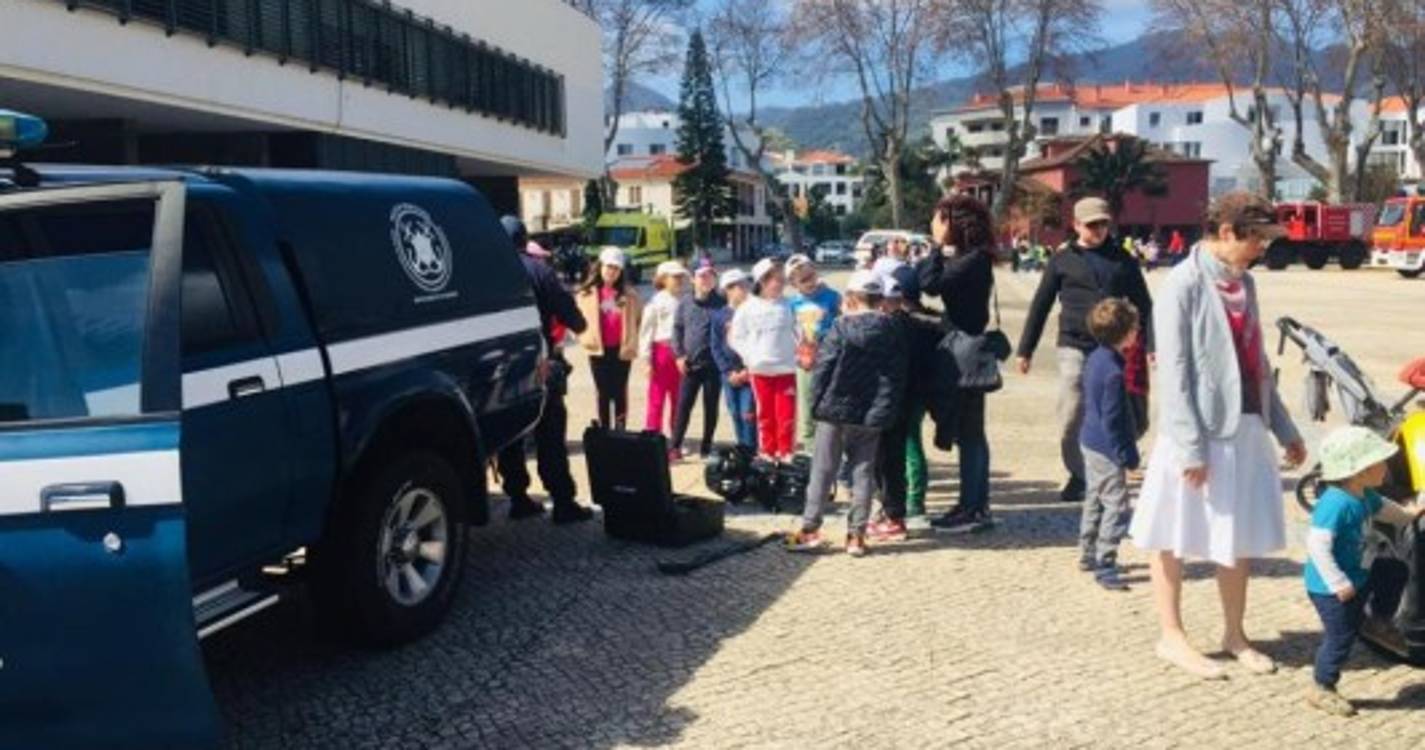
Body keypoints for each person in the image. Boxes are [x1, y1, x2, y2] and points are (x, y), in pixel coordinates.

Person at [1130, 191, 1307, 679]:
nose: (1261, 251)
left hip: (1245, 426)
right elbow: (1176, 371)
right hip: (1199, 431)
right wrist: (1189, 446)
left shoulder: (1245, 283)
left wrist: (1283, 426)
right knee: (1170, 532)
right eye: (1256, 240)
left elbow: (1257, 363)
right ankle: (1172, 635)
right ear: (1226, 232)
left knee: (1238, 533)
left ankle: (1235, 632)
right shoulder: (1181, 285)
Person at [1015, 197, 1155, 504]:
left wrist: (1152, 346)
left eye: (1103, 224)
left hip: (1118, 346)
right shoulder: (1062, 260)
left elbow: (1145, 306)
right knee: (1073, 410)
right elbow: (1041, 305)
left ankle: (1114, 464)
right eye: (1092, 225)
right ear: (1077, 225)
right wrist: (1025, 349)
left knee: (1127, 410)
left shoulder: (1123, 260)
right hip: (1074, 345)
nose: (1099, 230)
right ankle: (1079, 474)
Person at [786, 270, 908, 557]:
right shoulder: (893, 329)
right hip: (871, 413)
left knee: (823, 469)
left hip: (834, 409)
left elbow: (823, 369)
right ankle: (856, 536)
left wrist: (815, 405)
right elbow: (897, 376)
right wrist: (885, 410)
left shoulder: (840, 328)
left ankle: (810, 529)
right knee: (863, 472)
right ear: (880, 299)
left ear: (851, 297)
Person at [1304, 426, 1421, 716]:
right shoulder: (1335, 503)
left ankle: (1378, 620)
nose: (1386, 467)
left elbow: (1386, 509)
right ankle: (1323, 686)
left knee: (1393, 570)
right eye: (1379, 463)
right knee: (1340, 637)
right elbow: (1317, 546)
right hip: (1331, 588)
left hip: (1358, 573)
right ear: (1359, 470)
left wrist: (1410, 513)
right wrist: (1337, 582)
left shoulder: (1363, 494)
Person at [495, 216, 593, 524]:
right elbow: (573, 317)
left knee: (510, 432)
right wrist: (579, 323)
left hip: (501, 366)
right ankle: (563, 502)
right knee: (550, 432)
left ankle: (518, 498)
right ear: (525, 240)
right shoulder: (540, 271)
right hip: (539, 361)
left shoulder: (486, 271)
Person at [917, 194, 997, 534]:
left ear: (954, 223)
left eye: (939, 219)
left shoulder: (974, 260)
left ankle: (972, 508)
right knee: (972, 433)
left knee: (970, 434)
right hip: (966, 347)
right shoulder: (973, 258)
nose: (935, 225)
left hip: (965, 353)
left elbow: (929, 284)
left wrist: (935, 248)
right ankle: (976, 504)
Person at [1077, 298, 1142, 591]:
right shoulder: (1115, 372)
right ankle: (1106, 561)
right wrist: (1127, 457)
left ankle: (1086, 552)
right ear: (1126, 333)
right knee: (1116, 504)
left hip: (1088, 440)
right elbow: (1114, 421)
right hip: (1105, 446)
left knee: (1094, 496)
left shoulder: (1095, 358)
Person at [730, 258, 798, 461]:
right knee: (765, 415)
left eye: (781, 280)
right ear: (762, 281)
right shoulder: (747, 308)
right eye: (774, 280)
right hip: (760, 370)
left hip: (786, 369)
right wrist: (750, 357)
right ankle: (768, 452)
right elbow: (735, 337)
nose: (778, 284)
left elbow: (800, 333)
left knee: (786, 416)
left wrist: (802, 349)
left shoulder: (788, 305)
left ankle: (786, 452)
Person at [577, 247, 642, 430]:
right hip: (598, 350)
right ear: (600, 267)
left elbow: (638, 319)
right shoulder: (587, 293)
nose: (612, 271)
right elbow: (576, 319)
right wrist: (584, 337)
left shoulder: (629, 294)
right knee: (603, 392)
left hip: (621, 350)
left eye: (616, 268)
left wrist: (631, 338)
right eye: (609, 267)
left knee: (620, 391)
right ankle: (605, 430)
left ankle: (620, 429)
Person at [671, 262, 726, 460]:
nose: (706, 280)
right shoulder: (685, 303)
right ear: (693, 279)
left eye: (710, 276)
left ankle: (706, 445)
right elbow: (677, 329)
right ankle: (675, 445)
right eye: (702, 276)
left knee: (711, 407)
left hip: (714, 365)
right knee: (683, 406)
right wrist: (678, 355)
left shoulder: (721, 302)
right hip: (690, 365)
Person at [787, 254, 842, 451]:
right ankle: (811, 449)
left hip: (830, 359)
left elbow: (843, 324)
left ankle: (832, 447)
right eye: (803, 280)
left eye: (812, 276)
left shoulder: (832, 296)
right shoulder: (791, 304)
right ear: (794, 283)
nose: (810, 282)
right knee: (808, 406)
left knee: (829, 405)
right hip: (805, 362)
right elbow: (789, 333)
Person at [640, 261, 689, 439]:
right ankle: (653, 435)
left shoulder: (685, 300)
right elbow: (646, 332)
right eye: (674, 277)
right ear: (663, 279)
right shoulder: (655, 302)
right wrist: (646, 361)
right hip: (661, 353)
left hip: (680, 354)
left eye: (681, 277)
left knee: (679, 398)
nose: (679, 280)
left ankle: (675, 438)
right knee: (656, 398)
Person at [711, 269, 757, 451]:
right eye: (738, 286)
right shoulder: (719, 315)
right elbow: (715, 346)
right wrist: (727, 371)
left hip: (749, 372)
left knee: (748, 413)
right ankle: (742, 448)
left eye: (745, 285)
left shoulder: (754, 313)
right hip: (728, 374)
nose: (743, 289)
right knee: (735, 412)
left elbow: (757, 343)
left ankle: (752, 449)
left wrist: (747, 370)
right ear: (727, 290)